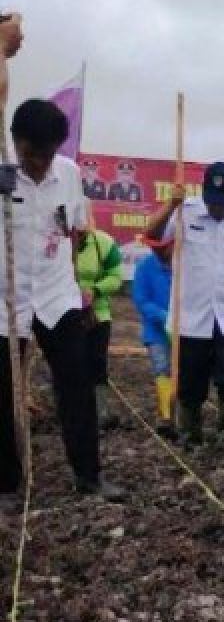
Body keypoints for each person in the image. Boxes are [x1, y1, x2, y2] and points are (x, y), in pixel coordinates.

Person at [0, 99, 122, 499]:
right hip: (7, 299)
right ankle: (7, 481)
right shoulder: (1, 168)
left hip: (56, 295)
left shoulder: (68, 175)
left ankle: (88, 476)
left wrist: (79, 292)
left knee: (77, 384)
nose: (39, 164)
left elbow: (73, 233)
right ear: (16, 142)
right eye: (31, 155)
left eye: (47, 155)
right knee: (4, 391)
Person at [144, 161, 224, 448]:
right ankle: (189, 434)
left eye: (222, 202)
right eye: (211, 200)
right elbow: (151, 235)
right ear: (204, 192)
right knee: (191, 380)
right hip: (191, 316)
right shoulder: (184, 212)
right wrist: (170, 205)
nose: (216, 207)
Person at [74, 224, 124, 432]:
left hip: (97, 315)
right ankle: (72, 411)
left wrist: (95, 290)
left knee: (97, 361)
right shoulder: (55, 242)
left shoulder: (103, 243)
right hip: (63, 314)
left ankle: (100, 411)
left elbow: (115, 277)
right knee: (71, 364)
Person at [132, 236, 175, 438]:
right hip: (156, 330)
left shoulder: (184, 267)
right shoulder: (144, 268)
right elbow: (141, 299)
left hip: (185, 329)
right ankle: (166, 415)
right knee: (162, 367)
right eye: (156, 248)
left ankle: (181, 413)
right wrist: (163, 316)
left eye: (165, 247)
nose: (161, 251)